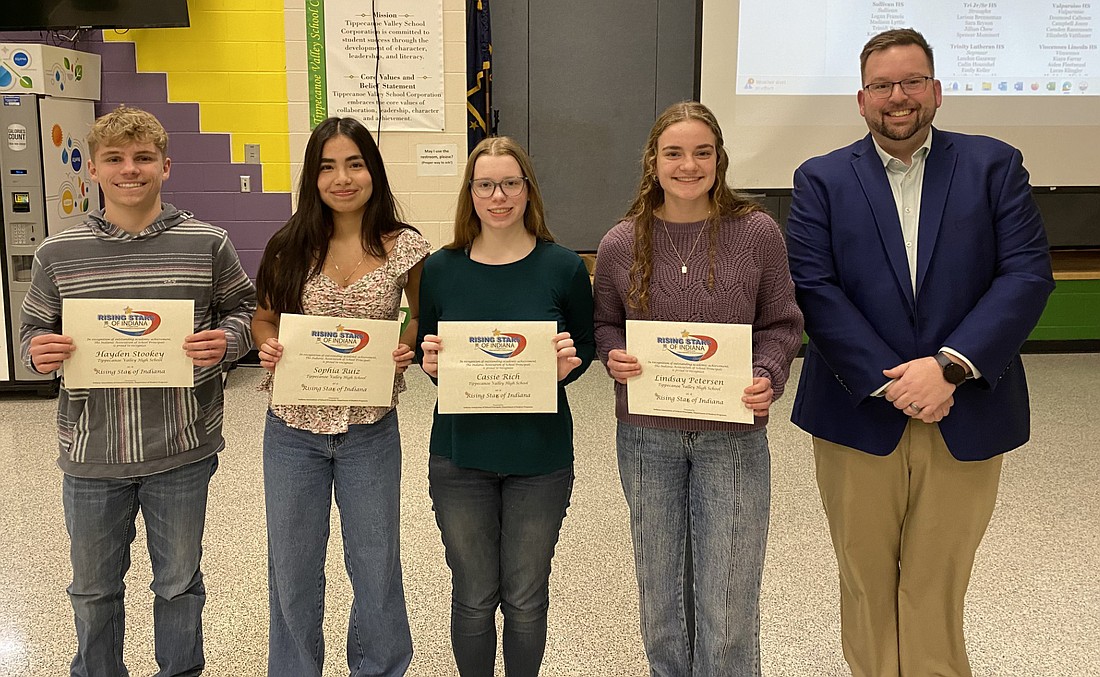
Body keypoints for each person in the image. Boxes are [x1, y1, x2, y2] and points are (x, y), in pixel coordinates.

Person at [785, 28, 1055, 677]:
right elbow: (813, 289)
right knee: (865, 578)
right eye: (882, 85)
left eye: (911, 82)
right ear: (860, 98)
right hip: (857, 410)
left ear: (936, 91)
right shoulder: (819, 179)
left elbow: (1025, 275)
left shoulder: (995, 166)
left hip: (965, 408)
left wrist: (948, 367)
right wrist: (896, 381)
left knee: (936, 581)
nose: (897, 97)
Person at [19, 105, 257, 677]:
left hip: (181, 448)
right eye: (115, 159)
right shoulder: (59, 252)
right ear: (93, 172)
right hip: (92, 452)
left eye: (143, 158)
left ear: (166, 166)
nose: (131, 170)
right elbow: (33, 331)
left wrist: (225, 341)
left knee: (178, 585)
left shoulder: (208, 244)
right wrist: (37, 351)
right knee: (92, 591)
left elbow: (246, 312)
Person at [592, 101, 803, 676]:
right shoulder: (620, 242)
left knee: (729, 600)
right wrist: (614, 355)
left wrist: (767, 375)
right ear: (653, 161)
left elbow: (782, 323)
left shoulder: (756, 233)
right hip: (645, 441)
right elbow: (605, 323)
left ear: (720, 159)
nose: (689, 165)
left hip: (731, 438)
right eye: (675, 153)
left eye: (702, 153)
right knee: (661, 598)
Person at [251, 116, 430, 677]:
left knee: (376, 566)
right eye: (327, 167)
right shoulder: (288, 246)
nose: (342, 178)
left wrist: (405, 345)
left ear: (372, 169)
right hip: (292, 431)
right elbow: (263, 319)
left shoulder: (407, 248)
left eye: (354, 163)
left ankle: (379, 668)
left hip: (369, 430)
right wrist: (269, 347)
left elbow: (420, 316)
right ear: (313, 177)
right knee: (293, 570)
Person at [417, 136, 595, 676]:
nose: (499, 196)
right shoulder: (441, 268)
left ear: (528, 190)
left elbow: (585, 343)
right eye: (486, 184)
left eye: (510, 183)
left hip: (538, 458)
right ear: (470, 194)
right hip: (459, 456)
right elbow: (431, 347)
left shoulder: (562, 266)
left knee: (525, 597)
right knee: (472, 595)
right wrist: (430, 365)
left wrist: (572, 364)